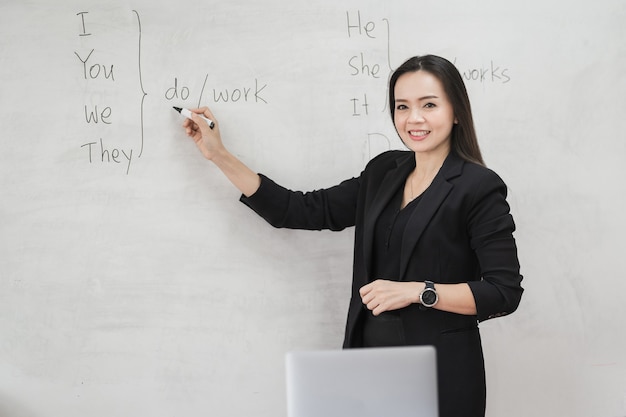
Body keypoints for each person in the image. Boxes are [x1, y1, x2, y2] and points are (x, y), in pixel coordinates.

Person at [180, 55, 523, 417]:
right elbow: (299, 210)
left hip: (440, 375)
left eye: (429, 105)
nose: (414, 118)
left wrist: (418, 291)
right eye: (402, 106)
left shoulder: (478, 186)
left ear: (456, 112)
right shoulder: (383, 172)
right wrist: (218, 155)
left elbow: (504, 291)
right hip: (368, 370)